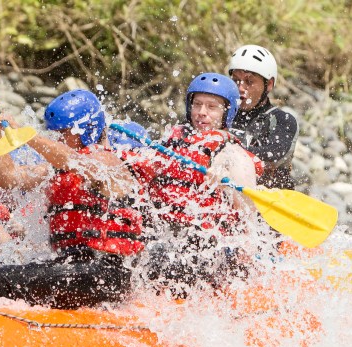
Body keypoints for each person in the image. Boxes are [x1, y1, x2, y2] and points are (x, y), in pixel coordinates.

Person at [0, 89, 144, 309]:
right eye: (56, 133)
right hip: (74, 269)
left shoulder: (107, 162)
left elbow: (73, 160)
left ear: (86, 130)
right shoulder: (54, 169)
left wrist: (26, 135)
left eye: (64, 132)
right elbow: (7, 178)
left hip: (106, 271)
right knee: (11, 274)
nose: (59, 138)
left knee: (2, 279)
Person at [125, 73, 263, 296]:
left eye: (212, 107)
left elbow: (248, 217)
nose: (202, 113)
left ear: (227, 113)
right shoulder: (171, 142)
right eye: (197, 104)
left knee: (161, 259)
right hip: (165, 235)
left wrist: (223, 175)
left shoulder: (232, 154)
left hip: (207, 246)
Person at [227, 44, 299, 189]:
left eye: (249, 81)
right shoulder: (222, 112)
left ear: (269, 84)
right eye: (236, 80)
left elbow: (274, 152)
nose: (240, 87)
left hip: (268, 198)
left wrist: (225, 150)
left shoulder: (282, 120)